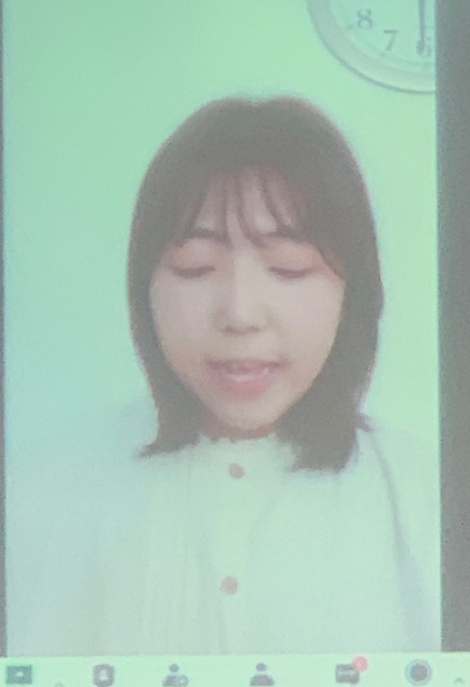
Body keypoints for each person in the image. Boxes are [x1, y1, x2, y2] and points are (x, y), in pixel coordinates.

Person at [11, 96, 440, 656]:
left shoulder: (429, 499)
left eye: (288, 269)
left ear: (351, 291)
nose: (239, 314)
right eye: (196, 268)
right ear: (144, 288)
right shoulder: (39, 497)